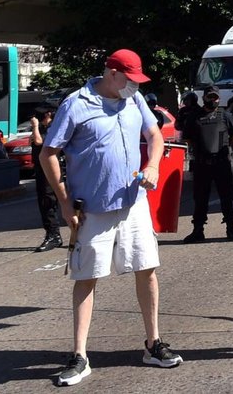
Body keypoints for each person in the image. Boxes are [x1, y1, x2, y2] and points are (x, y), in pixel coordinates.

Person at [38, 49, 182, 386]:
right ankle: (79, 355)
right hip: (92, 207)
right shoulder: (77, 103)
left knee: (147, 270)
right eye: (130, 80)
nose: (134, 86)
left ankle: (153, 343)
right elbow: (48, 153)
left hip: (133, 202)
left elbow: (155, 136)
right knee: (87, 277)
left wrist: (152, 165)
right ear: (112, 72)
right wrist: (64, 200)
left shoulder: (133, 99)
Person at [182, 84, 233, 243]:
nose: (213, 100)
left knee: (227, 197)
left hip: (221, 163)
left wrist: (224, 148)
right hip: (202, 164)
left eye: (215, 97)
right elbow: (187, 138)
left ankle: (231, 228)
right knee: (200, 198)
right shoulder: (194, 116)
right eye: (210, 97)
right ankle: (198, 230)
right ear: (204, 98)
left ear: (219, 98)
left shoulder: (225, 115)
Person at [28, 103, 65, 252]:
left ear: (48, 114)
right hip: (41, 170)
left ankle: (80, 234)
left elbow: (39, 142)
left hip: (53, 169)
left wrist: (35, 127)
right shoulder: (43, 128)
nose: (37, 119)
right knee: (46, 202)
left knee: (53, 201)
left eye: (39, 116)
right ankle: (53, 235)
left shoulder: (54, 127)